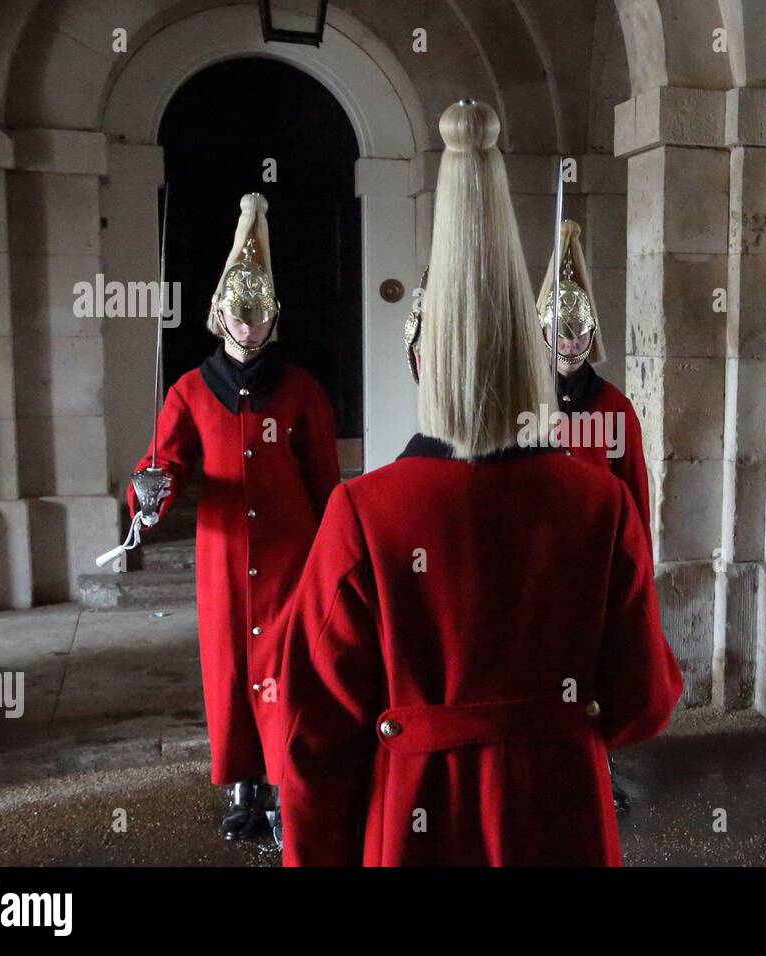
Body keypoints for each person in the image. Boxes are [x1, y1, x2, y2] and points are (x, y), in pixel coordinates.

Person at [277, 99, 683, 866]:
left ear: (420, 361)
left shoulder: (365, 514)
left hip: (417, 819)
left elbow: (313, 735)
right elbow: (643, 703)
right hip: (560, 813)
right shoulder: (598, 505)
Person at [129, 193, 339, 841]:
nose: (249, 325)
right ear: (219, 315)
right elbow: (164, 469)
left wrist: (335, 555)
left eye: (260, 313)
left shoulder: (301, 388)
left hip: (290, 556)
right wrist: (148, 489)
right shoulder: (190, 391)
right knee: (229, 673)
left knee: (287, 673)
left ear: (273, 317)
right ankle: (246, 790)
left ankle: (282, 793)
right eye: (239, 313)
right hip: (223, 560)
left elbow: (326, 481)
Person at [536, 219, 652, 810]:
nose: (573, 344)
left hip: (597, 567)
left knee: (594, 674)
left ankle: (598, 769)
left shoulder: (614, 407)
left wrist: (639, 565)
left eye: (582, 333)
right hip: (536, 568)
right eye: (563, 331)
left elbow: (634, 492)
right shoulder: (524, 405)